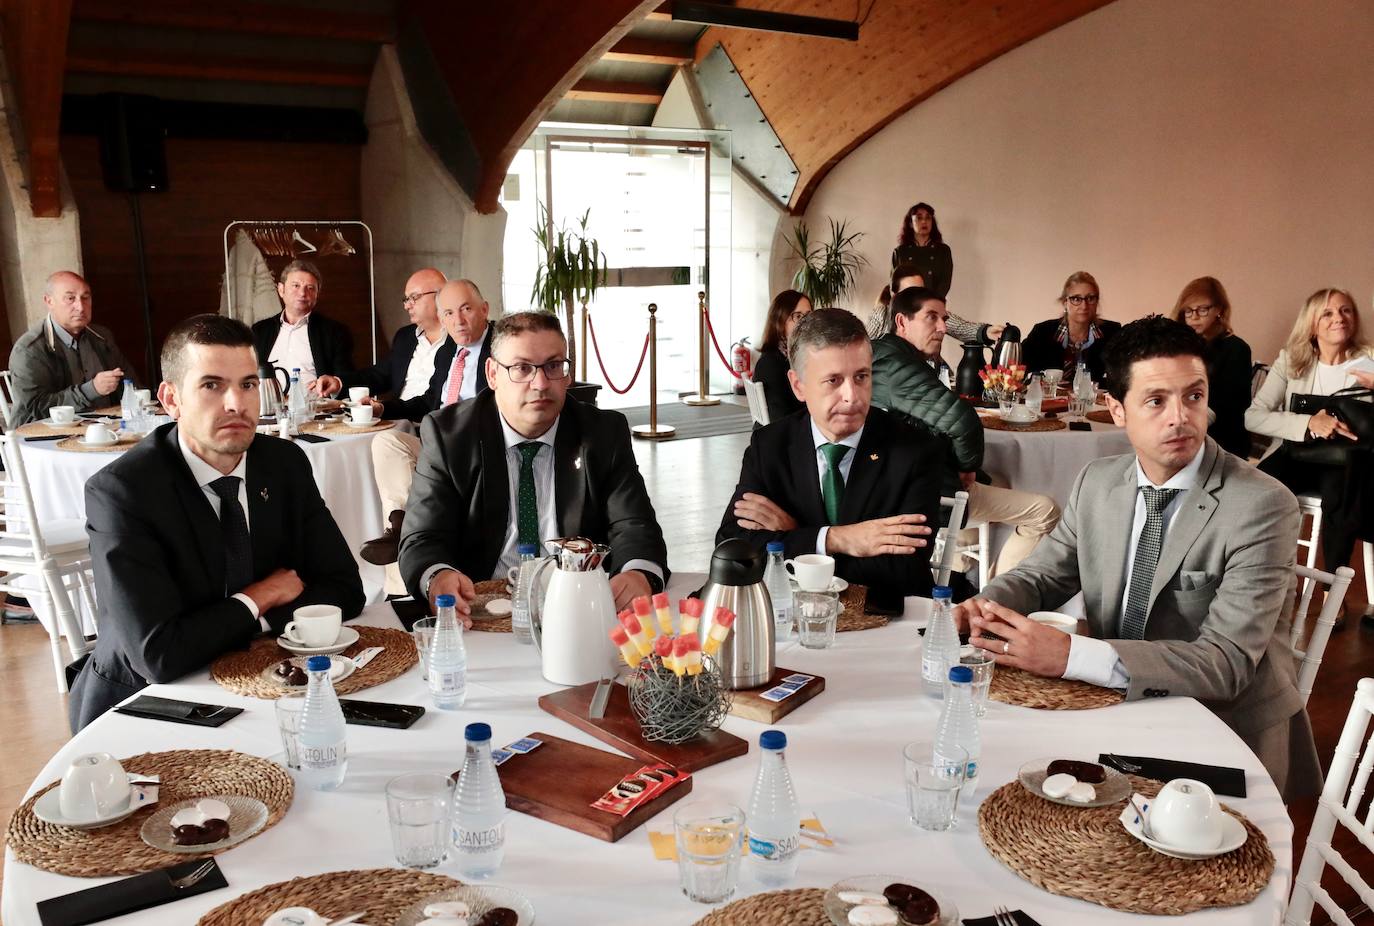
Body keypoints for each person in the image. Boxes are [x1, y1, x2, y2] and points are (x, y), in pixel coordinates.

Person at [959, 316, 1319, 800]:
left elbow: (1227, 665)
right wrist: (986, 606)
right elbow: (1046, 573)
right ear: (1116, 408)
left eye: (1194, 395)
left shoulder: (1262, 504)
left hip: (1222, 731)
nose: (1181, 417)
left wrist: (1069, 655)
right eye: (1156, 401)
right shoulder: (1098, 481)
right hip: (1114, 707)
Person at [68, 315, 365, 731]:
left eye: (247, 384)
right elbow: (159, 656)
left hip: (269, 683)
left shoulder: (284, 464)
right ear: (171, 400)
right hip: (146, 706)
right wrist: (260, 598)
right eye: (211, 385)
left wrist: (226, 625)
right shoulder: (124, 492)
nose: (236, 404)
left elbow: (345, 590)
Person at [399, 311, 668, 620]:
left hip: (578, 608)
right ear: (492, 374)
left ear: (567, 374)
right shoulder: (450, 436)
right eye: (522, 368)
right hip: (482, 609)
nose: (540, 383)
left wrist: (638, 574)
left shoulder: (602, 433)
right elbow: (422, 537)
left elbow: (634, 525)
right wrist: (437, 576)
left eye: (553, 366)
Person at [717, 308, 942, 599]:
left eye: (861, 376)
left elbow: (904, 572)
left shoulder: (914, 451)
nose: (852, 396)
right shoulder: (770, 446)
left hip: (887, 625)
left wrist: (798, 534)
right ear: (799, 386)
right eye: (833, 380)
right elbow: (733, 549)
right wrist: (837, 538)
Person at [871, 287, 1060, 577]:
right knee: (1044, 511)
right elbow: (962, 421)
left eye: (944, 318)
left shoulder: (886, 355)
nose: (942, 328)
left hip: (901, 480)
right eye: (931, 317)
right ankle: (995, 599)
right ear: (901, 322)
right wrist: (966, 467)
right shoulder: (897, 366)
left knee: (1003, 482)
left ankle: (956, 573)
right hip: (924, 490)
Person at [1246, 288, 1374, 619]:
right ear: (1312, 323)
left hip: (1345, 458)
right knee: (1261, 489)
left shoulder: (1370, 361)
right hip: (1296, 449)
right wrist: (1308, 423)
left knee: (1340, 495)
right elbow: (1254, 415)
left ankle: (1334, 593)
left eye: (1346, 311)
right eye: (1328, 313)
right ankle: (1262, 579)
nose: (1339, 319)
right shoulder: (1292, 359)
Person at [361, 278, 495, 566]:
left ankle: (405, 534)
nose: (457, 321)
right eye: (448, 313)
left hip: (477, 448)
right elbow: (429, 400)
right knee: (387, 441)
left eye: (466, 309)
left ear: (484, 309)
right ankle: (400, 524)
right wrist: (382, 408)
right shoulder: (448, 350)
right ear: (441, 318)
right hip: (437, 444)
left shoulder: (501, 346)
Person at [312, 268, 450, 420]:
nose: (407, 306)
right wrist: (339, 383)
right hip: (396, 419)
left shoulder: (459, 340)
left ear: (441, 295)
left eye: (414, 297)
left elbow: (433, 400)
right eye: (406, 299)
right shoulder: (405, 337)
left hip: (431, 423)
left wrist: (383, 408)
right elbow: (379, 375)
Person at [8, 271, 138, 426]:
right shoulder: (29, 349)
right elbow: (38, 407)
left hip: (102, 430)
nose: (80, 307)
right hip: (41, 438)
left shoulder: (102, 337)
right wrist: (91, 389)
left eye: (86, 298)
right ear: (49, 301)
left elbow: (131, 384)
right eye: (70, 298)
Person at [1168, 277, 1252, 457]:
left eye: (1202, 310)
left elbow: (1223, 404)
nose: (1194, 316)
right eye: (1189, 311)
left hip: (1221, 441)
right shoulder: (1179, 346)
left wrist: (1181, 427)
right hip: (1182, 428)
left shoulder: (1236, 349)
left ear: (1219, 310)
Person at [251, 260, 354, 388]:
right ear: (281, 289)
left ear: (317, 294)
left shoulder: (335, 332)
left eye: (310, 288)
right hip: (268, 405)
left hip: (315, 405)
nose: (302, 293)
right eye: (296, 286)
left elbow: (345, 379)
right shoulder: (259, 331)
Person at [1022, 271, 1121, 382]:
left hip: (1094, 399)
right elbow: (1017, 369)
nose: (1084, 306)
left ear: (1097, 302)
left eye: (1090, 298)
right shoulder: (1042, 332)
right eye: (1076, 299)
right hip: (1048, 398)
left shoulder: (1113, 333)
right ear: (1065, 302)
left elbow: (1123, 376)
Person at [889, 264, 1003, 347]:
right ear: (894, 295)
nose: (918, 298)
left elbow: (961, 328)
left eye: (921, 291)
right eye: (909, 293)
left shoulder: (935, 313)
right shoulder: (880, 316)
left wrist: (986, 331)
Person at [752, 290, 811, 422]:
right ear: (780, 320)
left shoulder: (802, 356)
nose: (806, 323)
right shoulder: (770, 363)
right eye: (798, 316)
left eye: (808, 316)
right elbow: (780, 417)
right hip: (786, 436)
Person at [890, 203, 954, 299]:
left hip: (933, 302)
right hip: (907, 303)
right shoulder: (900, 252)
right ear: (911, 223)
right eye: (919, 218)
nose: (924, 221)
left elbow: (945, 282)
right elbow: (894, 284)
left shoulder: (943, 251)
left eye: (928, 218)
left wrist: (933, 302)